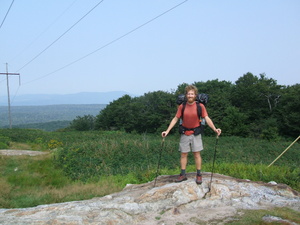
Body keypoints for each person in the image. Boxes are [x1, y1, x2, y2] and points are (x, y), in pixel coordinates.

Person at [161, 85, 221, 184]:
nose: (190, 95)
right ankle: (183, 174)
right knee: (183, 154)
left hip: (196, 133)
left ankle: (199, 175)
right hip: (185, 132)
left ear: (195, 95)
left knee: (197, 154)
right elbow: (176, 118)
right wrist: (167, 131)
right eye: (188, 94)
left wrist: (215, 129)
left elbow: (206, 118)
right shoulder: (182, 106)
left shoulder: (200, 106)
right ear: (186, 95)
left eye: (192, 94)